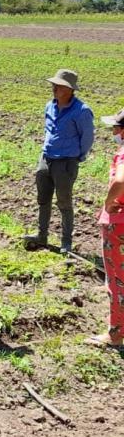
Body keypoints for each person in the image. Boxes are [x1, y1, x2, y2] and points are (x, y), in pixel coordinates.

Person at [23, 69, 94, 254]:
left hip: (66, 162)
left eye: (60, 86)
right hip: (46, 159)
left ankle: (66, 243)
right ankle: (42, 236)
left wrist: (78, 157)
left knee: (64, 202)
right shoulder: (49, 106)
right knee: (43, 200)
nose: (54, 88)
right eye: (54, 85)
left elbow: (87, 138)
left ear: (70, 90)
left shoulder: (82, 111)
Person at [88, 108, 124, 348]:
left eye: (115, 128)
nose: (113, 132)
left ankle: (116, 333)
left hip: (119, 225)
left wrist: (108, 202)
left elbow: (121, 180)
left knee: (117, 279)